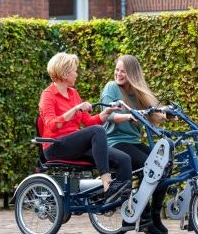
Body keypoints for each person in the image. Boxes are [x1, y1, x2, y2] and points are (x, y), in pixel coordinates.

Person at [39, 52, 132, 203]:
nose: (76, 74)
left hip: (75, 146)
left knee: (124, 159)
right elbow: (51, 125)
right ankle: (107, 183)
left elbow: (88, 122)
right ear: (64, 73)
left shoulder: (73, 93)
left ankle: (126, 208)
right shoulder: (48, 95)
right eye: (74, 70)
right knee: (97, 131)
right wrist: (75, 109)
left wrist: (105, 114)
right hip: (55, 146)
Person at [100, 54, 169, 234]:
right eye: (117, 70)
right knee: (149, 165)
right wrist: (130, 115)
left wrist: (166, 115)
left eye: (123, 71)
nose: (119, 74)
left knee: (164, 166)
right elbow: (109, 115)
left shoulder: (136, 93)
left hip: (134, 142)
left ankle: (155, 215)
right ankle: (143, 217)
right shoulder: (112, 88)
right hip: (115, 141)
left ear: (132, 74)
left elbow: (152, 114)